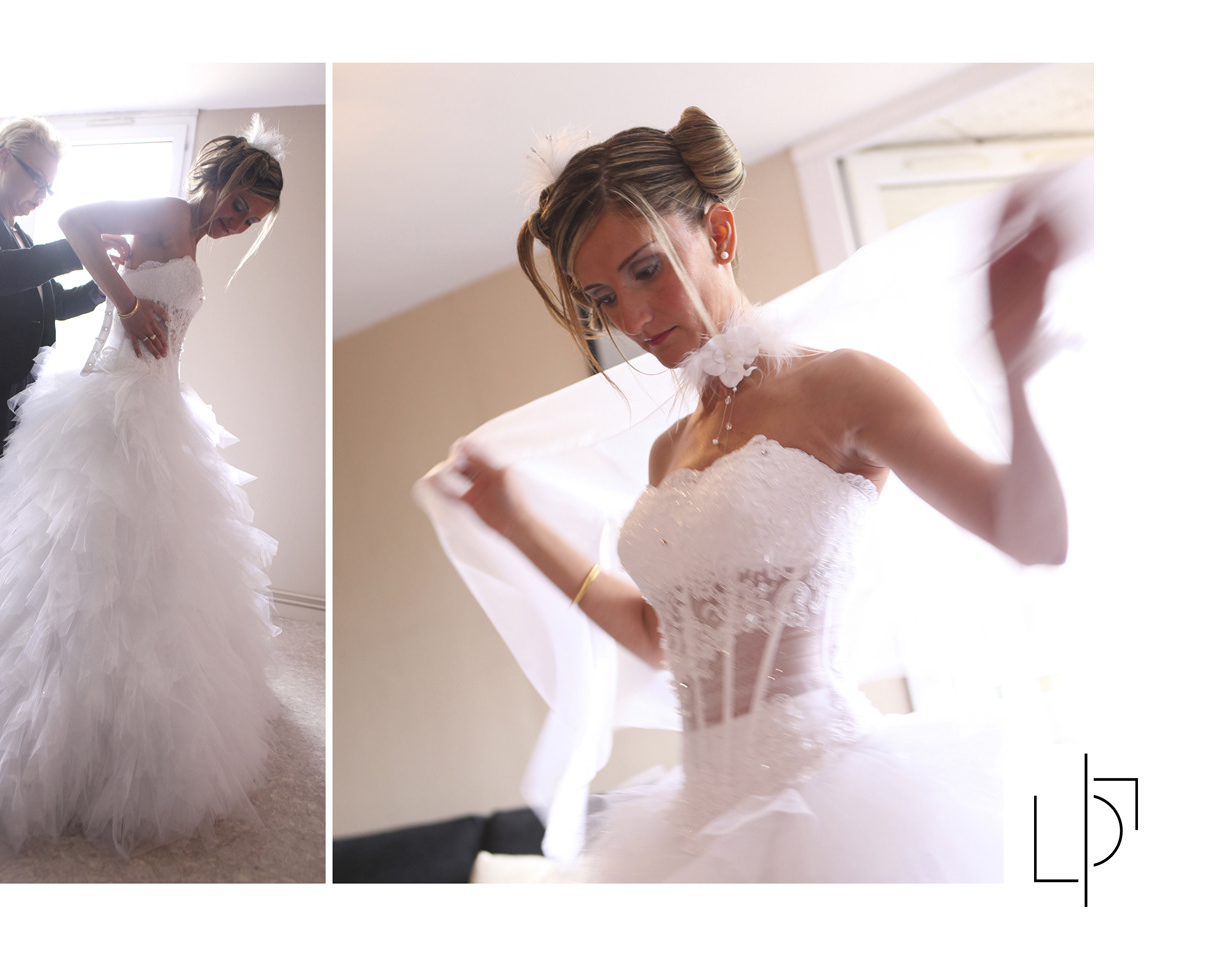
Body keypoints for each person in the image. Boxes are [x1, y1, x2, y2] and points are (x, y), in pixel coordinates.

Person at [425, 107, 1073, 882]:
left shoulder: (841, 386)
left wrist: (1015, 371)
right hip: (699, 830)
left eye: (646, 269)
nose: (632, 318)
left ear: (720, 233)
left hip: (831, 813)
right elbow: (661, 637)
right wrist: (515, 524)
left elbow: (1034, 536)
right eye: (603, 298)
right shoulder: (670, 450)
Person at [0, 116, 288, 860]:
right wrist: (127, 298)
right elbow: (72, 226)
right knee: (34, 549)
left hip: (154, 405)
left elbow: (65, 296)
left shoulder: (179, 235)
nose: (237, 223)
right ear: (218, 180)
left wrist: (116, 287)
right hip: (74, 398)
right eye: (239, 204)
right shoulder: (161, 212)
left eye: (252, 220)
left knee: (137, 567)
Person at [0, 117, 125, 514]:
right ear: (4, 159)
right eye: (38, 179)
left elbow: (56, 304)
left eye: (48, 186)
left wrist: (103, 283)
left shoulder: (22, 238)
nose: (42, 194)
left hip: (19, 392)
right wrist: (80, 247)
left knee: (2, 519)